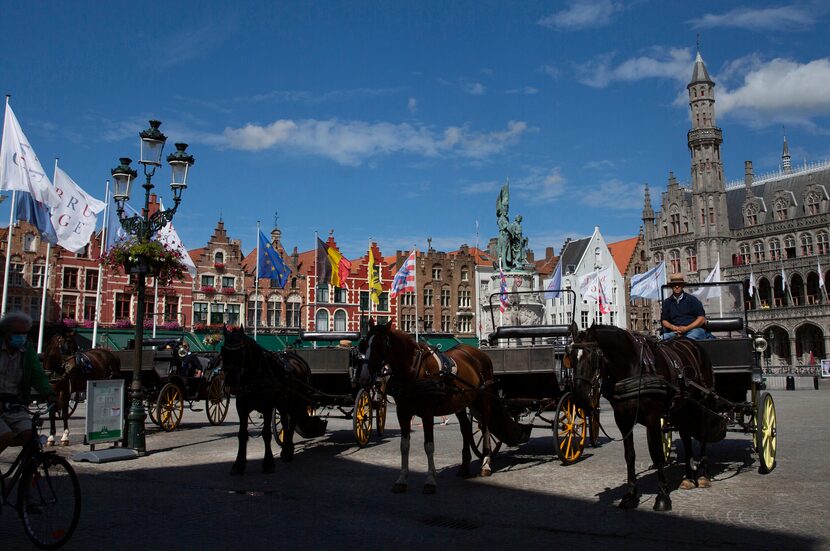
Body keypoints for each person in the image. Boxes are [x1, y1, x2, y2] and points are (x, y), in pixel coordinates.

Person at [0, 311, 57, 455]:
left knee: (31, 437)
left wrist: (50, 394)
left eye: (25, 333)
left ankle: (29, 474)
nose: (21, 337)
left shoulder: (27, 350)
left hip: (14, 404)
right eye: (17, 333)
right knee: (5, 436)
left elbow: (37, 375)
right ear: (6, 332)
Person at [660, 274, 713, 340]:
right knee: (660, 339)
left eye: (679, 284)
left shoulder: (692, 300)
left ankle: (684, 341)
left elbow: (701, 319)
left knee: (695, 335)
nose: (677, 286)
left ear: (682, 286)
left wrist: (686, 328)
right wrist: (674, 328)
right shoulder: (667, 302)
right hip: (674, 332)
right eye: (674, 285)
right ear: (671, 286)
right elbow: (664, 321)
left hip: (692, 330)